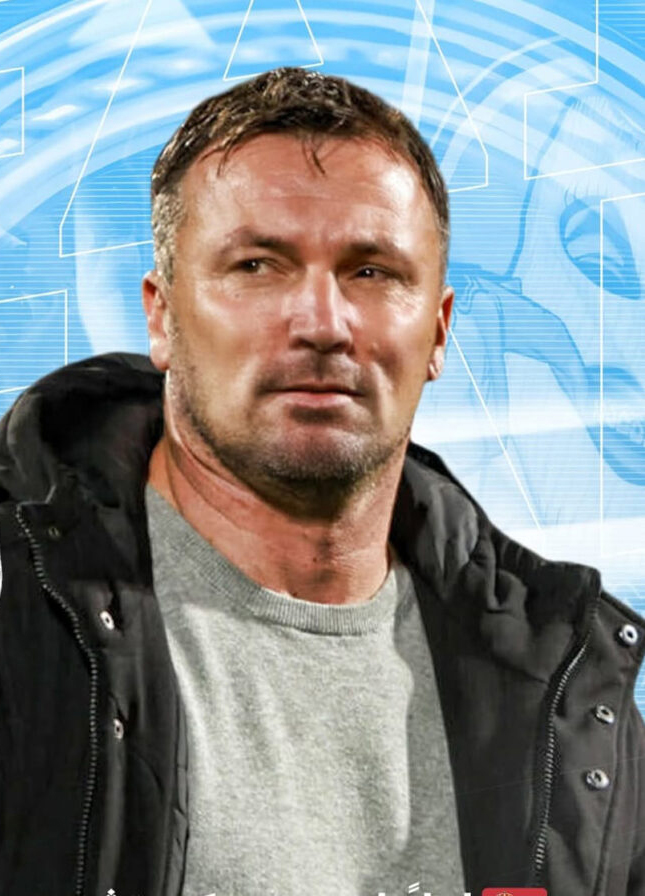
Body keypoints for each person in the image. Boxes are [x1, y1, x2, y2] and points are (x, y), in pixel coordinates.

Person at [0, 67, 643, 896]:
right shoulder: (20, 613)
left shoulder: (566, 677)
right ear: (161, 315)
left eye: (371, 272)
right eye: (256, 265)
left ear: (438, 331)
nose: (320, 323)